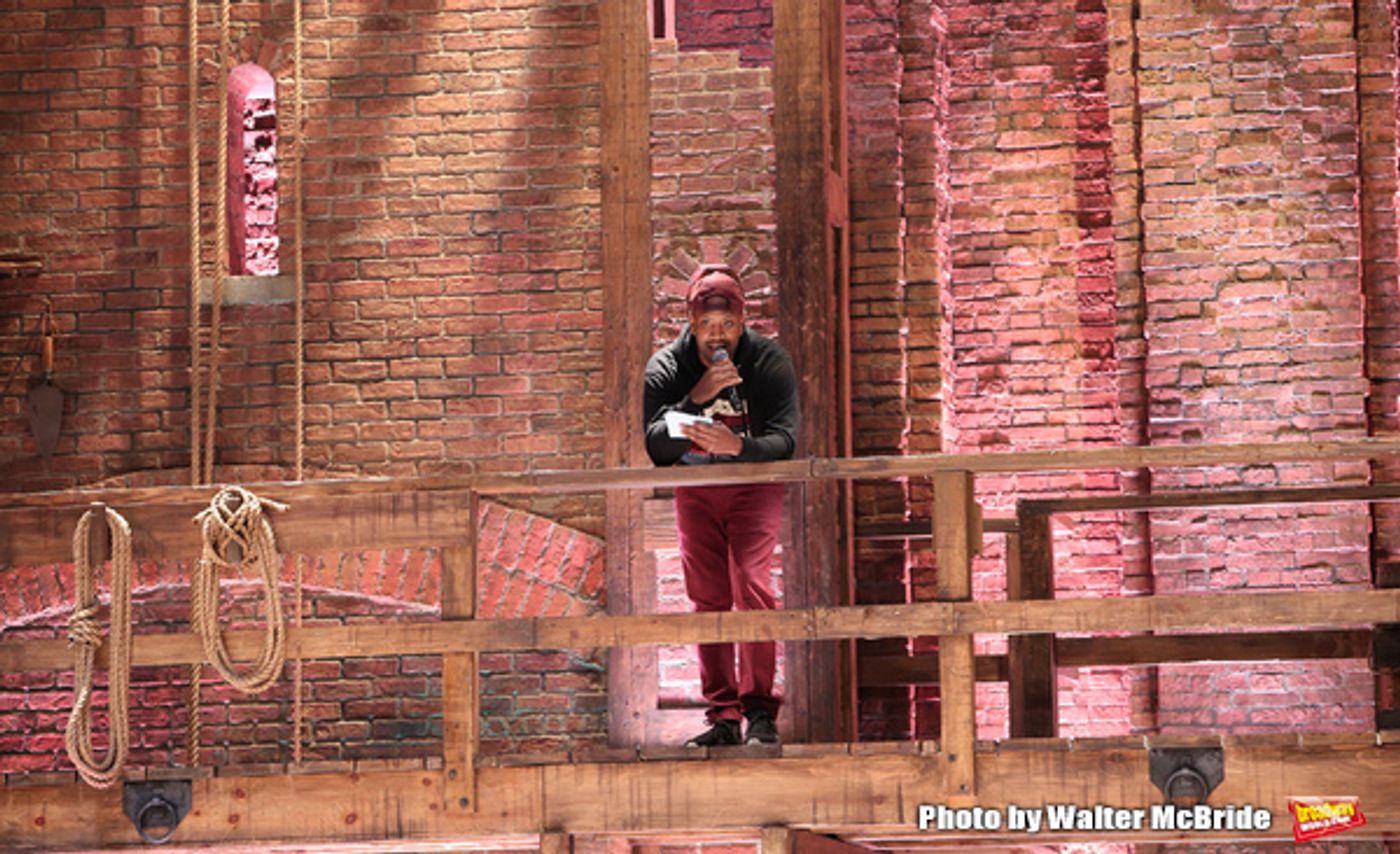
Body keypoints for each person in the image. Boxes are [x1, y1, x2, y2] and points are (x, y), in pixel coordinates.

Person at [643, 263, 800, 747]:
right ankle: (723, 715)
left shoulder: (768, 363)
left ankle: (759, 711)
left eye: (727, 326)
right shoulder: (669, 367)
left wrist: (740, 448)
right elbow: (656, 447)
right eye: (708, 326)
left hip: (753, 485)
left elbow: (786, 441)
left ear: (741, 322)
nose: (718, 336)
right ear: (691, 323)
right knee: (707, 596)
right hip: (697, 486)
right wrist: (696, 398)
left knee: (751, 585)